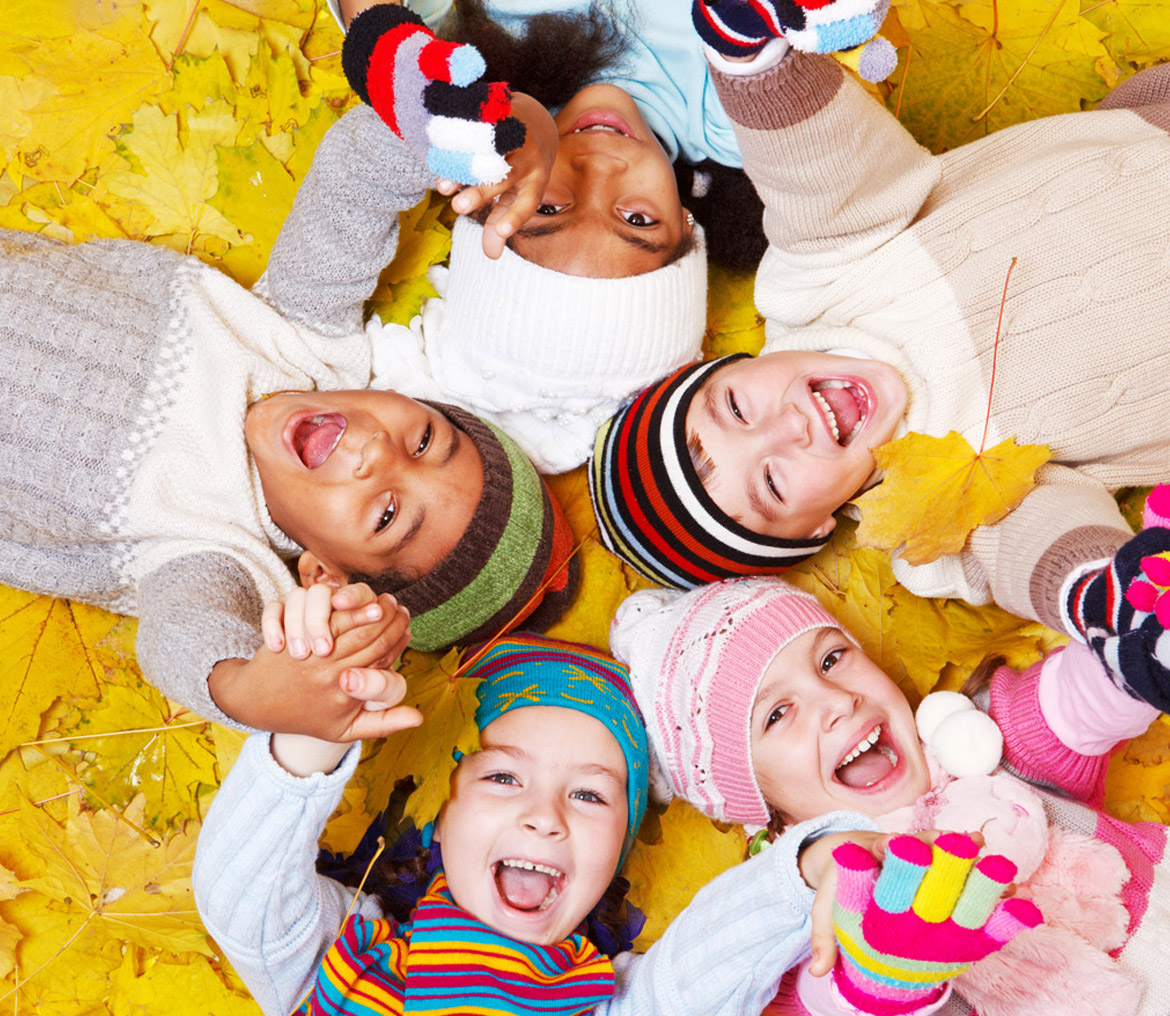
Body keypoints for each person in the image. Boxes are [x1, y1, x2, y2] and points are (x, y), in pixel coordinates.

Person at [0, 36, 578, 740]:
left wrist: (251, 694)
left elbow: (187, 643)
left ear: (323, 574)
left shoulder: (211, 551)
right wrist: (501, 132)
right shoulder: (301, 338)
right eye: (426, 439)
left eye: (387, 514)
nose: (378, 455)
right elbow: (359, 174)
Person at [588, 0, 1170, 642]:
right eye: (773, 483)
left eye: (735, 408)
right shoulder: (928, 516)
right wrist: (1100, 596)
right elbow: (1029, 538)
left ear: (732, 365)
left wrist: (752, 63)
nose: (787, 427)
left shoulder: (819, 280)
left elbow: (817, 173)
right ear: (815, 531)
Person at [192, 633, 995, 1016]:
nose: (543, 817)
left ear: (618, 850)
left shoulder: (601, 1000)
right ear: (442, 814)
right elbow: (243, 900)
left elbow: (701, 975)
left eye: (590, 796)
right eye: (502, 777)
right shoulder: (351, 958)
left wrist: (813, 862)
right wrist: (309, 737)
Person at [610, 519, 1170, 1015]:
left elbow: (1068, 709)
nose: (837, 701)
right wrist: (881, 975)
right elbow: (821, 997)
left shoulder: (978, 742)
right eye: (778, 714)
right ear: (761, 802)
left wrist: (1135, 656)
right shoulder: (808, 926)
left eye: (832, 659)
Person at [324, 0, 749, 472]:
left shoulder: (460, 65)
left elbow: (375, 33)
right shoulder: (741, 113)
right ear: (687, 225)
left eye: (547, 209)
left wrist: (492, 117)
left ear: (490, 203)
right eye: (637, 219)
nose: (599, 168)